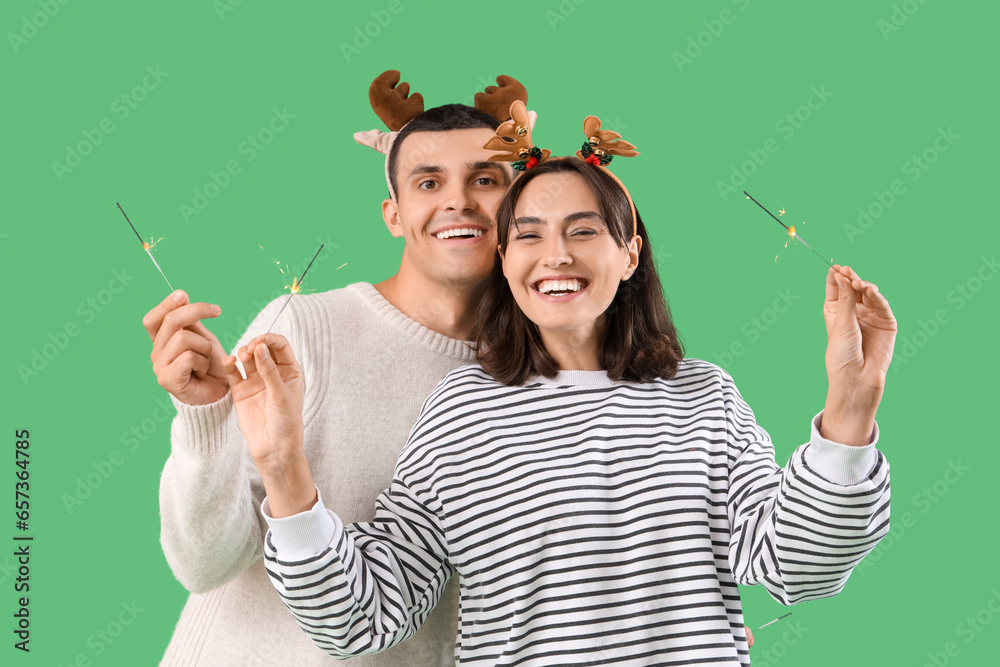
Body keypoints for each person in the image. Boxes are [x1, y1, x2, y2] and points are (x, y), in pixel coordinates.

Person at [228, 110, 895, 664]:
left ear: (629, 253)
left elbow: (795, 563)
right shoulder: (462, 413)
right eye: (529, 235)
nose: (556, 256)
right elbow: (362, 615)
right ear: (504, 259)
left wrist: (850, 406)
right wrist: (284, 468)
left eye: (583, 231)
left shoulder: (704, 399)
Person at [145, 72, 528, 666]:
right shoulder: (306, 332)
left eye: (486, 179)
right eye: (429, 182)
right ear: (394, 215)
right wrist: (204, 421)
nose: (459, 201)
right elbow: (203, 566)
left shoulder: (544, 377)